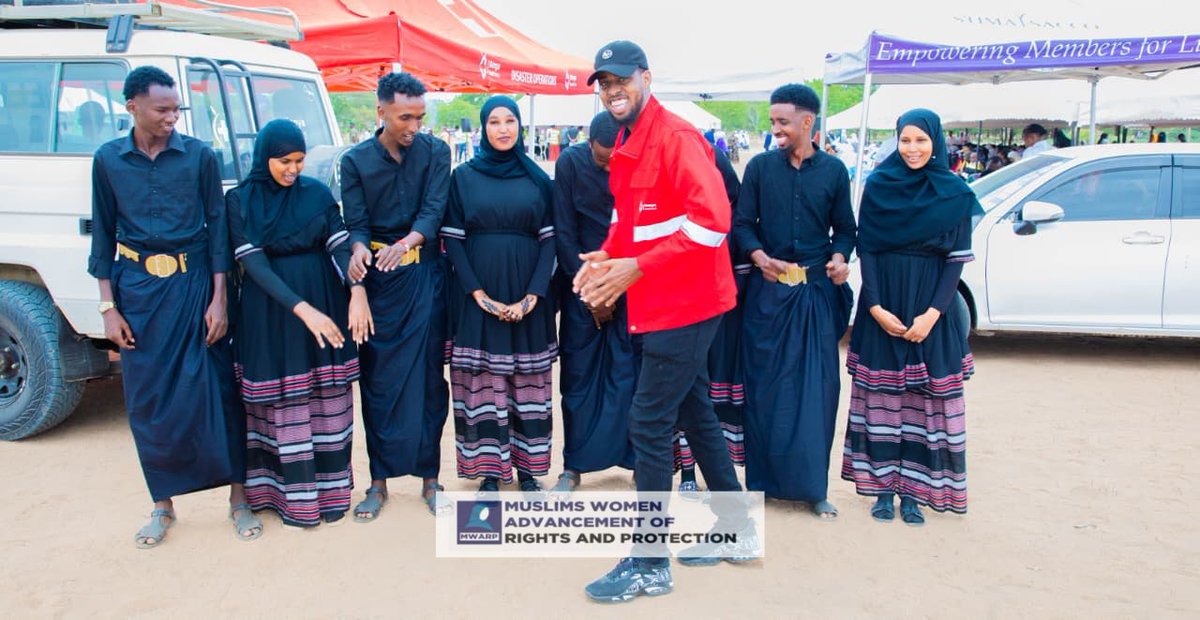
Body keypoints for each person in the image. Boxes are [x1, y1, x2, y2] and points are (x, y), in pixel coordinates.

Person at [576, 40, 757, 604]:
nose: (612, 91)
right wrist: (608, 255)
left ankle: (649, 561)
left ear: (646, 78)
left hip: (689, 302)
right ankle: (739, 531)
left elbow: (713, 224)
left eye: (620, 80)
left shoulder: (677, 137)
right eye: (603, 84)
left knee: (649, 423)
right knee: (695, 411)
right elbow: (628, 221)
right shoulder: (629, 139)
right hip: (658, 301)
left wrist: (634, 265)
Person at [88, 66, 254, 548]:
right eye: (162, 109)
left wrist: (219, 299)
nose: (172, 117)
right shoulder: (108, 160)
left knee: (219, 393)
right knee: (150, 402)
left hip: (195, 287)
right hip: (137, 292)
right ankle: (162, 505)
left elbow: (217, 226)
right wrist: (108, 308)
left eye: (175, 108)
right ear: (132, 107)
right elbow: (103, 235)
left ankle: (238, 500)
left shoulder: (200, 156)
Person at [841, 108, 980, 526]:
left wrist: (933, 314)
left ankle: (915, 494)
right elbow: (871, 250)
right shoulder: (880, 186)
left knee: (925, 402)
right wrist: (877, 308)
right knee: (882, 402)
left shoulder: (954, 192)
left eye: (921, 140)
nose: (913, 148)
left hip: (931, 309)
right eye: (905, 140)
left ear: (936, 141)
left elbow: (955, 261)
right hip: (883, 302)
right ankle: (883, 490)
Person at [227, 119, 366, 528]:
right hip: (271, 311)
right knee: (281, 400)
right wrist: (303, 310)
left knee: (326, 400)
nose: (293, 169)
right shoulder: (241, 201)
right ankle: (289, 500)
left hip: (326, 302)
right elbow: (253, 264)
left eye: (300, 161)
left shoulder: (317, 193)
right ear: (264, 157)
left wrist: (356, 291)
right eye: (283, 161)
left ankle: (332, 494)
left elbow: (340, 246)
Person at [733, 83, 855, 521]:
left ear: (808, 122)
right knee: (764, 390)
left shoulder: (835, 172)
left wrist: (840, 257)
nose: (776, 129)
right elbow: (742, 224)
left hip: (816, 296)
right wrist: (759, 256)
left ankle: (813, 489)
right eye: (772, 122)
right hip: (768, 298)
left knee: (818, 390)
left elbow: (845, 229)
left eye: (783, 122)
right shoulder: (761, 168)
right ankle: (760, 485)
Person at [340, 71, 452, 520]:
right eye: (405, 117)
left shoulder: (436, 152)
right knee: (379, 385)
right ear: (380, 111)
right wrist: (359, 255)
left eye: (420, 118)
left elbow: (433, 210)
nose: (413, 127)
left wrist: (407, 244)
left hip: (424, 280)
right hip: (378, 289)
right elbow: (357, 224)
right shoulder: (355, 162)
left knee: (428, 383)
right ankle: (378, 482)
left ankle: (431, 479)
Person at [441, 96, 558, 495]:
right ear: (483, 128)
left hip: (529, 294)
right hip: (477, 295)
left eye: (511, 121)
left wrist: (533, 296)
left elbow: (550, 241)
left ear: (521, 127)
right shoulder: (464, 178)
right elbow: (453, 240)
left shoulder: (538, 179)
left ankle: (528, 472)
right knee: (485, 382)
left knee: (528, 382)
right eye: (495, 122)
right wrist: (478, 294)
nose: (504, 129)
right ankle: (490, 472)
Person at [549, 111, 636, 495]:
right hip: (581, 283)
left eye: (613, 158)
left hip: (631, 283)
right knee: (578, 378)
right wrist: (590, 291)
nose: (607, 166)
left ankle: (638, 463)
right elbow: (563, 230)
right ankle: (574, 466)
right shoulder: (570, 163)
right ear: (589, 146)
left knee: (630, 375)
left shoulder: (638, 162)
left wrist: (616, 286)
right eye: (601, 159)